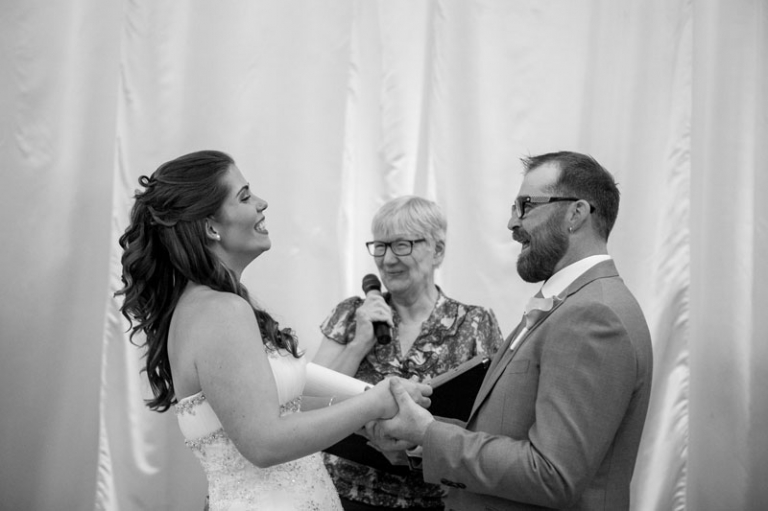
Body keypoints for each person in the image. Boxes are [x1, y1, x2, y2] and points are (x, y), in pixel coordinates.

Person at [115, 150, 432, 510]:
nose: (262, 204)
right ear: (210, 227)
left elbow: (288, 397)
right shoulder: (220, 311)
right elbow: (264, 443)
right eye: (245, 196)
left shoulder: (210, 304)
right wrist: (372, 402)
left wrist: (379, 399)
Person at [371, 151, 654, 510]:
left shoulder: (594, 315)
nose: (511, 222)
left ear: (576, 214)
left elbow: (552, 474)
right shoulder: (568, 302)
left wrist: (429, 434)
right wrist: (415, 434)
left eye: (525, 205)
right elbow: (506, 428)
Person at [312, 196, 504, 511]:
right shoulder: (351, 314)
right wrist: (359, 344)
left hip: (434, 501)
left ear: (437, 250)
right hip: (342, 495)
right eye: (380, 246)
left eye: (402, 245)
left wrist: (419, 440)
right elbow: (310, 405)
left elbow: (493, 423)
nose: (387, 260)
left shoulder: (476, 322)